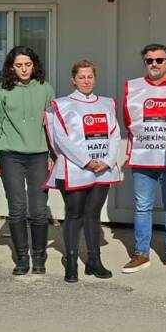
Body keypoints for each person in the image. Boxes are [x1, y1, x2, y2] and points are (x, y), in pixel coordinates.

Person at [45, 60, 122, 283]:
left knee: (93, 215)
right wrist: (87, 161)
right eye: (82, 77)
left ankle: (94, 261)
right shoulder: (62, 104)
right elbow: (60, 138)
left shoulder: (107, 103)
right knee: (74, 214)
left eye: (90, 77)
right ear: (73, 79)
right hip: (75, 169)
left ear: (95, 78)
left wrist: (107, 161)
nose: (86, 81)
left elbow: (115, 134)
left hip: (102, 170)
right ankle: (70, 262)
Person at [121, 43, 166, 275]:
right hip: (143, 159)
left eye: (159, 60)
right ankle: (141, 253)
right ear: (144, 63)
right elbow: (127, 121)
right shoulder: (132, 87)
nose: (154, 64)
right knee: (142, 208)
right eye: (149, 60)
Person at [0, 46, 56, 276]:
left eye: (28, 64)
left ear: (34, 65)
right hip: (10, 155)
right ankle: (21, 258)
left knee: (37, 209)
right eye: (19, 65)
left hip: (38, 155)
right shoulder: (0, 90)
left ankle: (38, 256)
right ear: (11, 67)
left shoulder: (45, 89)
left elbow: (52, 126)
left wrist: (52, 155)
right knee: (17, 209)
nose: (24, 69)